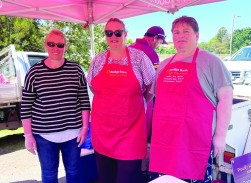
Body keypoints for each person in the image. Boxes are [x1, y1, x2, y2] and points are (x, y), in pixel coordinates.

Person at [149, 16, 233, 182]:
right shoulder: (165, 65)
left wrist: (220, 136)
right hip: (164, 140)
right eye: (176, 32)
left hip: (195, 142)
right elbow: (156, 100)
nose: (181, 35)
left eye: (186, 31)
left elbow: (226, 98)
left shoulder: (211, 62)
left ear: (197, 36)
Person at [87, 18, 155, 183]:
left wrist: (140, 103)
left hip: (130, 133)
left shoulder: (140, 58)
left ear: (125, 34)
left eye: (118, 32)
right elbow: (92, 86)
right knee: (106, 178)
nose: (113, 36)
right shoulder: (98, 60)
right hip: (103, 132)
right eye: (109, 33)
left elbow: (151, 87)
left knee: (128, 178)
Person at [21, 29, 91, 183]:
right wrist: (28, 136)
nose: (55, 48)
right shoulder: (34, 72)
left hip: (73, 134)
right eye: (51, 44)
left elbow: (84, 101)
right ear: (45, 45)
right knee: (49, 174)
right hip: (44, 135)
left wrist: (85, 128)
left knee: (74, 172)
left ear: (65, 47)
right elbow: (26, 106)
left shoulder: (75, 69)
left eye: (60, 45)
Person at [130, 26, 167, 181]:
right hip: (143, 101)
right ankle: (141, 170)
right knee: (141, 135)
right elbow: (153, 84)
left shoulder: (129, 47)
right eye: (160, 41)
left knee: (129, 135)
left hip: (126, 102)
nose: (159, 45)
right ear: (154, 38)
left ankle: (130, 166)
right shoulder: (151, 54)